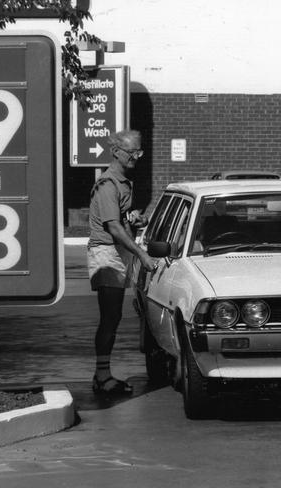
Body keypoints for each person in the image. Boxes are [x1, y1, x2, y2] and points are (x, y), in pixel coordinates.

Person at [87, 129, 157, 395]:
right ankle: (102, 376)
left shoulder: (123, 182)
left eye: (140, 152)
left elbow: (121, 220)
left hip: (117, 252)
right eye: (132, 152)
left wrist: (136, 219)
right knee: (110, 316)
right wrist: (142, 254)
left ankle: (102, 374)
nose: (137, 157)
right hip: (107, 254)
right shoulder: (107, 185)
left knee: (113, 316)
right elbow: (113, 228)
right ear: (116, 152)